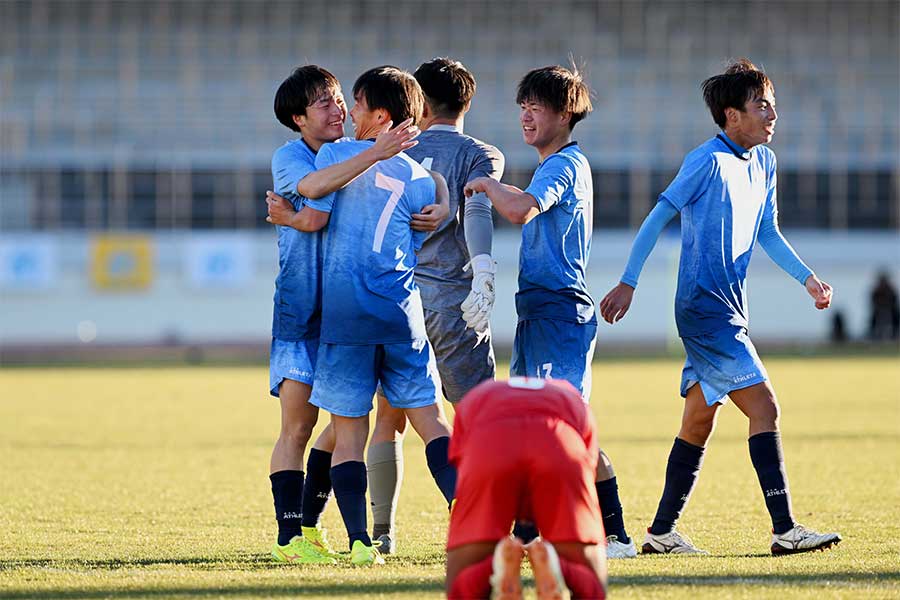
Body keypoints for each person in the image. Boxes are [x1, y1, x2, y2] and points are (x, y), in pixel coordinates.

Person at [599, 59, 842, 555]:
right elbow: (658, 216)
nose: (772, 114)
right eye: (761, 105)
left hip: (731, 307)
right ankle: (785, 530)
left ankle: (661, 533)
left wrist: (808, 279)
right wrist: (628, 281)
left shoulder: (765, 163)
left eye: (772, 104)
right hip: (705, 309)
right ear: (733, 115)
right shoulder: (706, 161)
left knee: (698, 420)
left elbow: (768, 233)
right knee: (765, 407)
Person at [265, 65, 441, 564]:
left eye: (340, 98)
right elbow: (315, 199)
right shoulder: (292, 157)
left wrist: (444, 200)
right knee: (299, 426)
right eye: (323, 103)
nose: (338, 108)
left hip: (349, 316)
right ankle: (288, 538)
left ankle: (313, 526)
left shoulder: (351, 150)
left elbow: (413, 180)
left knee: (343, 427)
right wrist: (375, 153)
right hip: (303, 310)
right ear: (298, 119)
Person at [464, 65, 636, 559]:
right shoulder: (555, 165)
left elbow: (522, 210)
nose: (525, 115)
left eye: (535, 106)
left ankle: (614, 535)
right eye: (522, 106)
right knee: (535, 427)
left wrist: (486, 185)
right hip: (540, 312)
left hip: (559, 312)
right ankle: (529, 535)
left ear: (564, 114)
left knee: (559, 427)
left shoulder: (563, 165)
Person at [363, 57, 506, 554]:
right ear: (467, 103)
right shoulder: (480, 153)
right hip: (452, 301)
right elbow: (479, 210)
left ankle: (382, 533)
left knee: (390, 417)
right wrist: (483, 269)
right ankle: (488, 520)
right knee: (476, 417)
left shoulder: (387, 150)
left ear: (418, 103)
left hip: (396, 300)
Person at [445, 378, 607, 600]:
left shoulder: (477, 396)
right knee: (593, 589)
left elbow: (460, 459)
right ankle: (559, 565)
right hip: (559, 440)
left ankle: (495, 564)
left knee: (459, 589)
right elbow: (590, 464)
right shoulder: (571, 396)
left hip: (490, 442)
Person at [868, 271, 899, 340]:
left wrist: (888, 306)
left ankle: (895, 334)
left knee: (896, 316)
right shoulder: (876, 290)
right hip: (879, 310)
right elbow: (873, 301)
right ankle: (873, 335)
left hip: (890, 309)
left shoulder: (891, 290)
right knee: (873, 319)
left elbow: (894, 301)